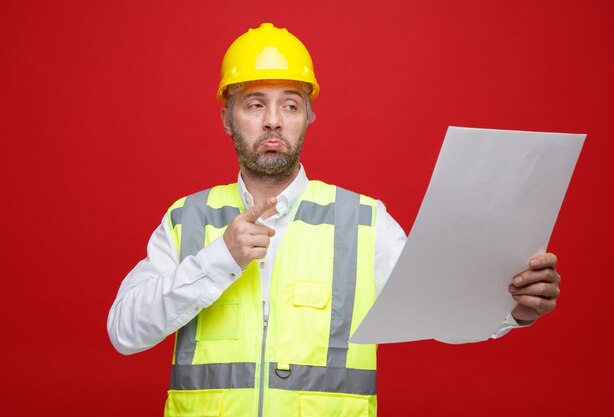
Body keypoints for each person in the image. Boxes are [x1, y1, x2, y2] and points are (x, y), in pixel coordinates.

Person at [107, 23, 561, 417]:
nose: (273, 122)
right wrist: (219, 258)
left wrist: (514, 310)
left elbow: (442, 306)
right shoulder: (186, 219)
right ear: (227, 118)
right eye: (254, 104)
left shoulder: (364, 221)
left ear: (308, 117)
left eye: (289, 105)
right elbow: (124, 333)